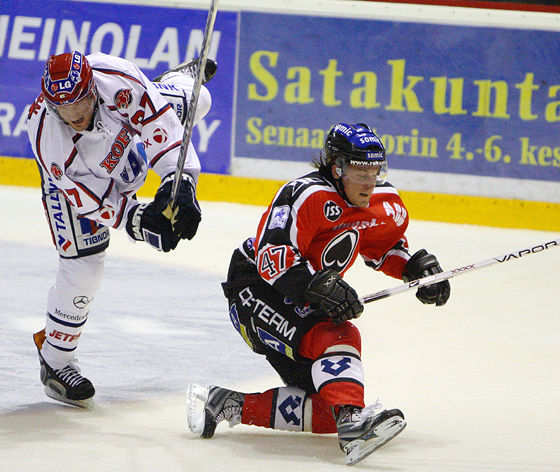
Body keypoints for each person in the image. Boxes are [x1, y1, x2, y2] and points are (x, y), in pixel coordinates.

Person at [187, 123, 451, 465]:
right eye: (360, 170)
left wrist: (416, 270)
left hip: (298, 300)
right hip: (254, 288)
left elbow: (383, 249)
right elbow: (272, 258)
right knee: (338, 333)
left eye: (375, 169)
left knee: (328, 410)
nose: (370, 180)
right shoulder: (306, 195)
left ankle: (224, 403)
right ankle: (354, 426)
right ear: (337, 167)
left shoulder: (384, 202)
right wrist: (318, 286)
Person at [26, 50, 217, 407]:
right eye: (64, 109)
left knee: (197, 100)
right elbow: (91, 199)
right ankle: (56, 359)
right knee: (84, 267)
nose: (75, 115)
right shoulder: (47, 135)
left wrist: (181, 182)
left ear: (92, 88)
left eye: (80, 102)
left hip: (123, 131)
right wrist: (139, 220)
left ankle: (181, 79)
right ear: (52, 105)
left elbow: (163, 130)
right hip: (80, 185)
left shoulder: (117, 79)